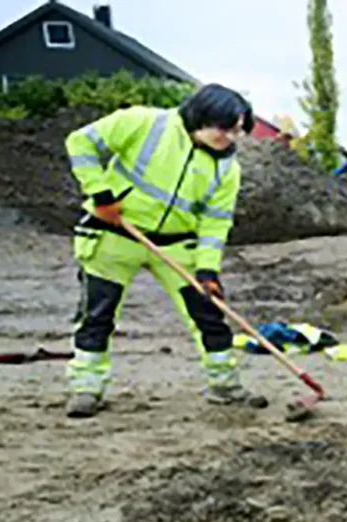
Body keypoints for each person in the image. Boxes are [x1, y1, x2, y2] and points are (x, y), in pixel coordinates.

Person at [61, 83, 267, 418]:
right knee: (97, 315)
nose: (229, 138)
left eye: (237, 132)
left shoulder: (227, 169)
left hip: (176, 245)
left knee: (208, 314)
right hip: (114, 233)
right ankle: (86, 388)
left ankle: (224, 385)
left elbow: (215, 224)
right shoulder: (143, 122)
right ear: (202, 115)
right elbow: (80, 142)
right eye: (224, 129)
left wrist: (207, 270)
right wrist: (100, 194)